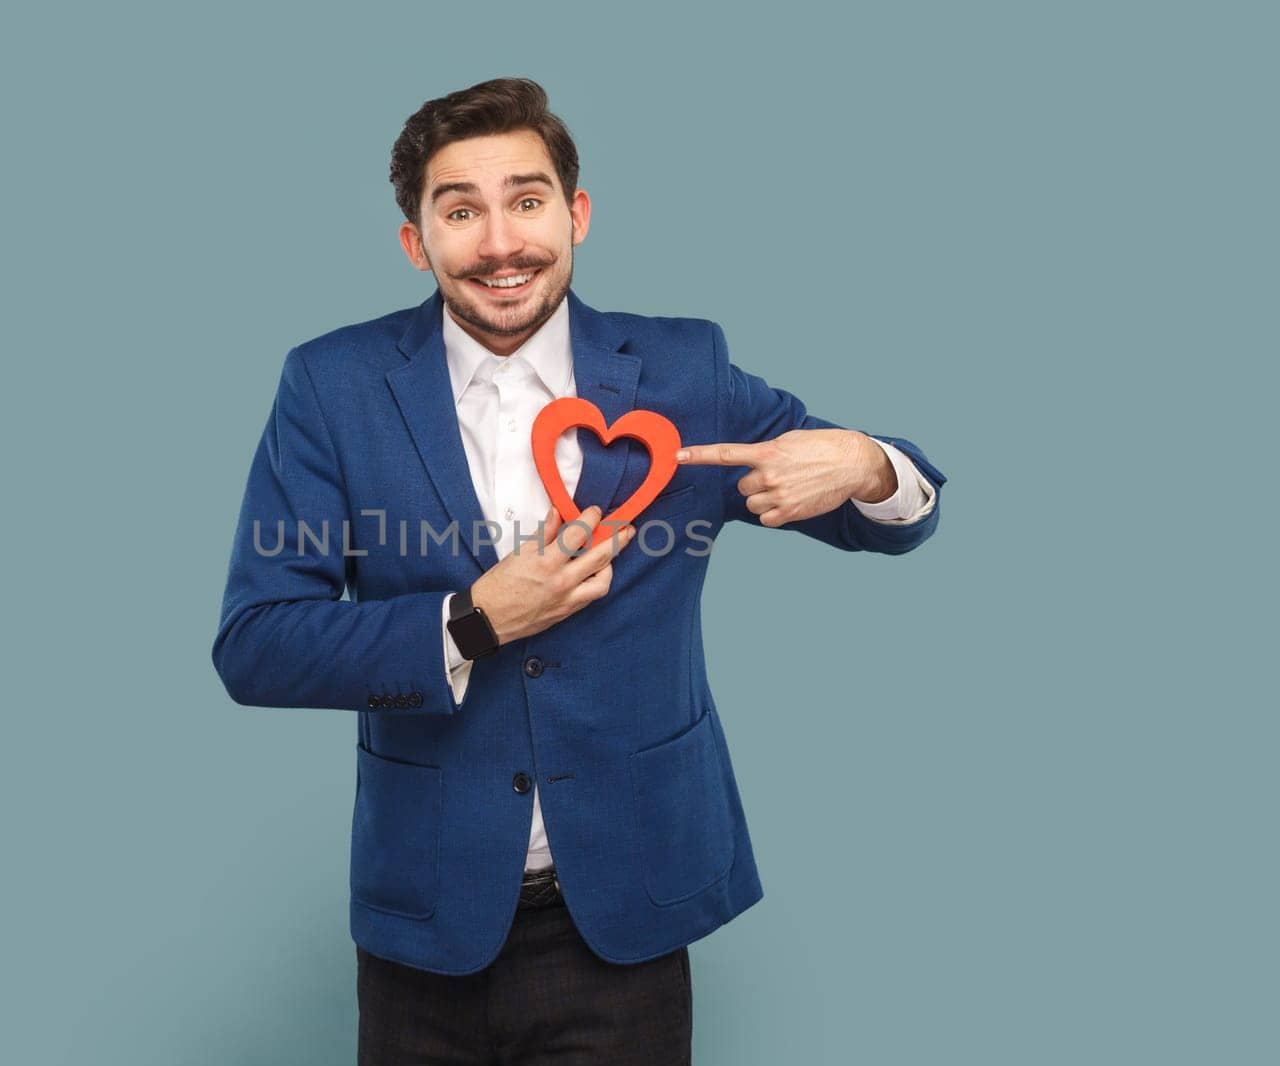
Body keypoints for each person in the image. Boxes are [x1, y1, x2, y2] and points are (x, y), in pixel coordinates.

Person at [212, 77, 946, 1065]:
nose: (499, 241)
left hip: (624, 909)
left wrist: (868, 464)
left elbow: (889, 520)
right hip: (425, 914)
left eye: (525, 200)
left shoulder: (682, 373)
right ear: (413, 240)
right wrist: (472, 620)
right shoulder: (332, 385)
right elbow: (257, 646)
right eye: (459, 210)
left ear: (576, 214)